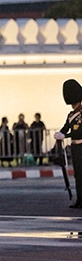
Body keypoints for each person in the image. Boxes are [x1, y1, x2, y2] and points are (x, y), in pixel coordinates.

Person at [54, 79, 82, 208]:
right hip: (76, 147)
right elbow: (65, 127)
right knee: (77, 174)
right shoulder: (71, 115)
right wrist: (60, 133)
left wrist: (66, 135)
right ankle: (80, 199)